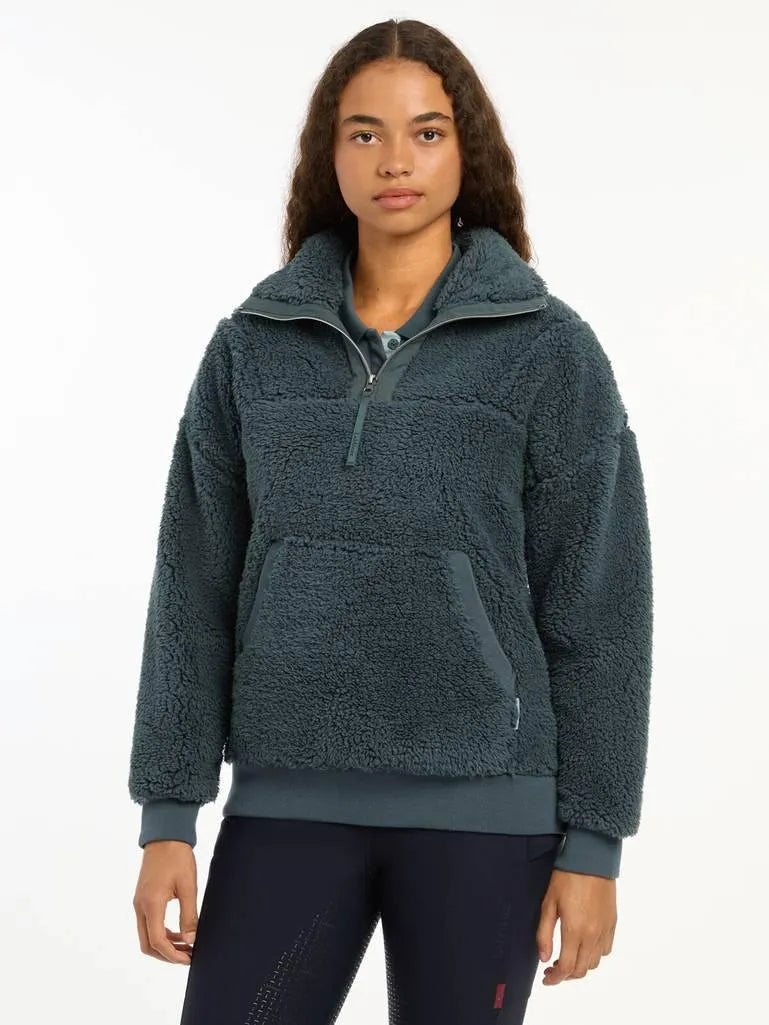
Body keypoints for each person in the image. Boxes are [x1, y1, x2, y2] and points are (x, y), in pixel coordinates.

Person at [129, 18, 653, 1025]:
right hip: (286, 801)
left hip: (489, 812)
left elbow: (602, 610)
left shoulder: (548, 352)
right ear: (328, 155)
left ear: (466, 151)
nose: (394, 161)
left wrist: (594, 844)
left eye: (426, 132)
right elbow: (190, 588)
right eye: (364, 133)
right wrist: (168, 816)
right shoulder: (252, 347)